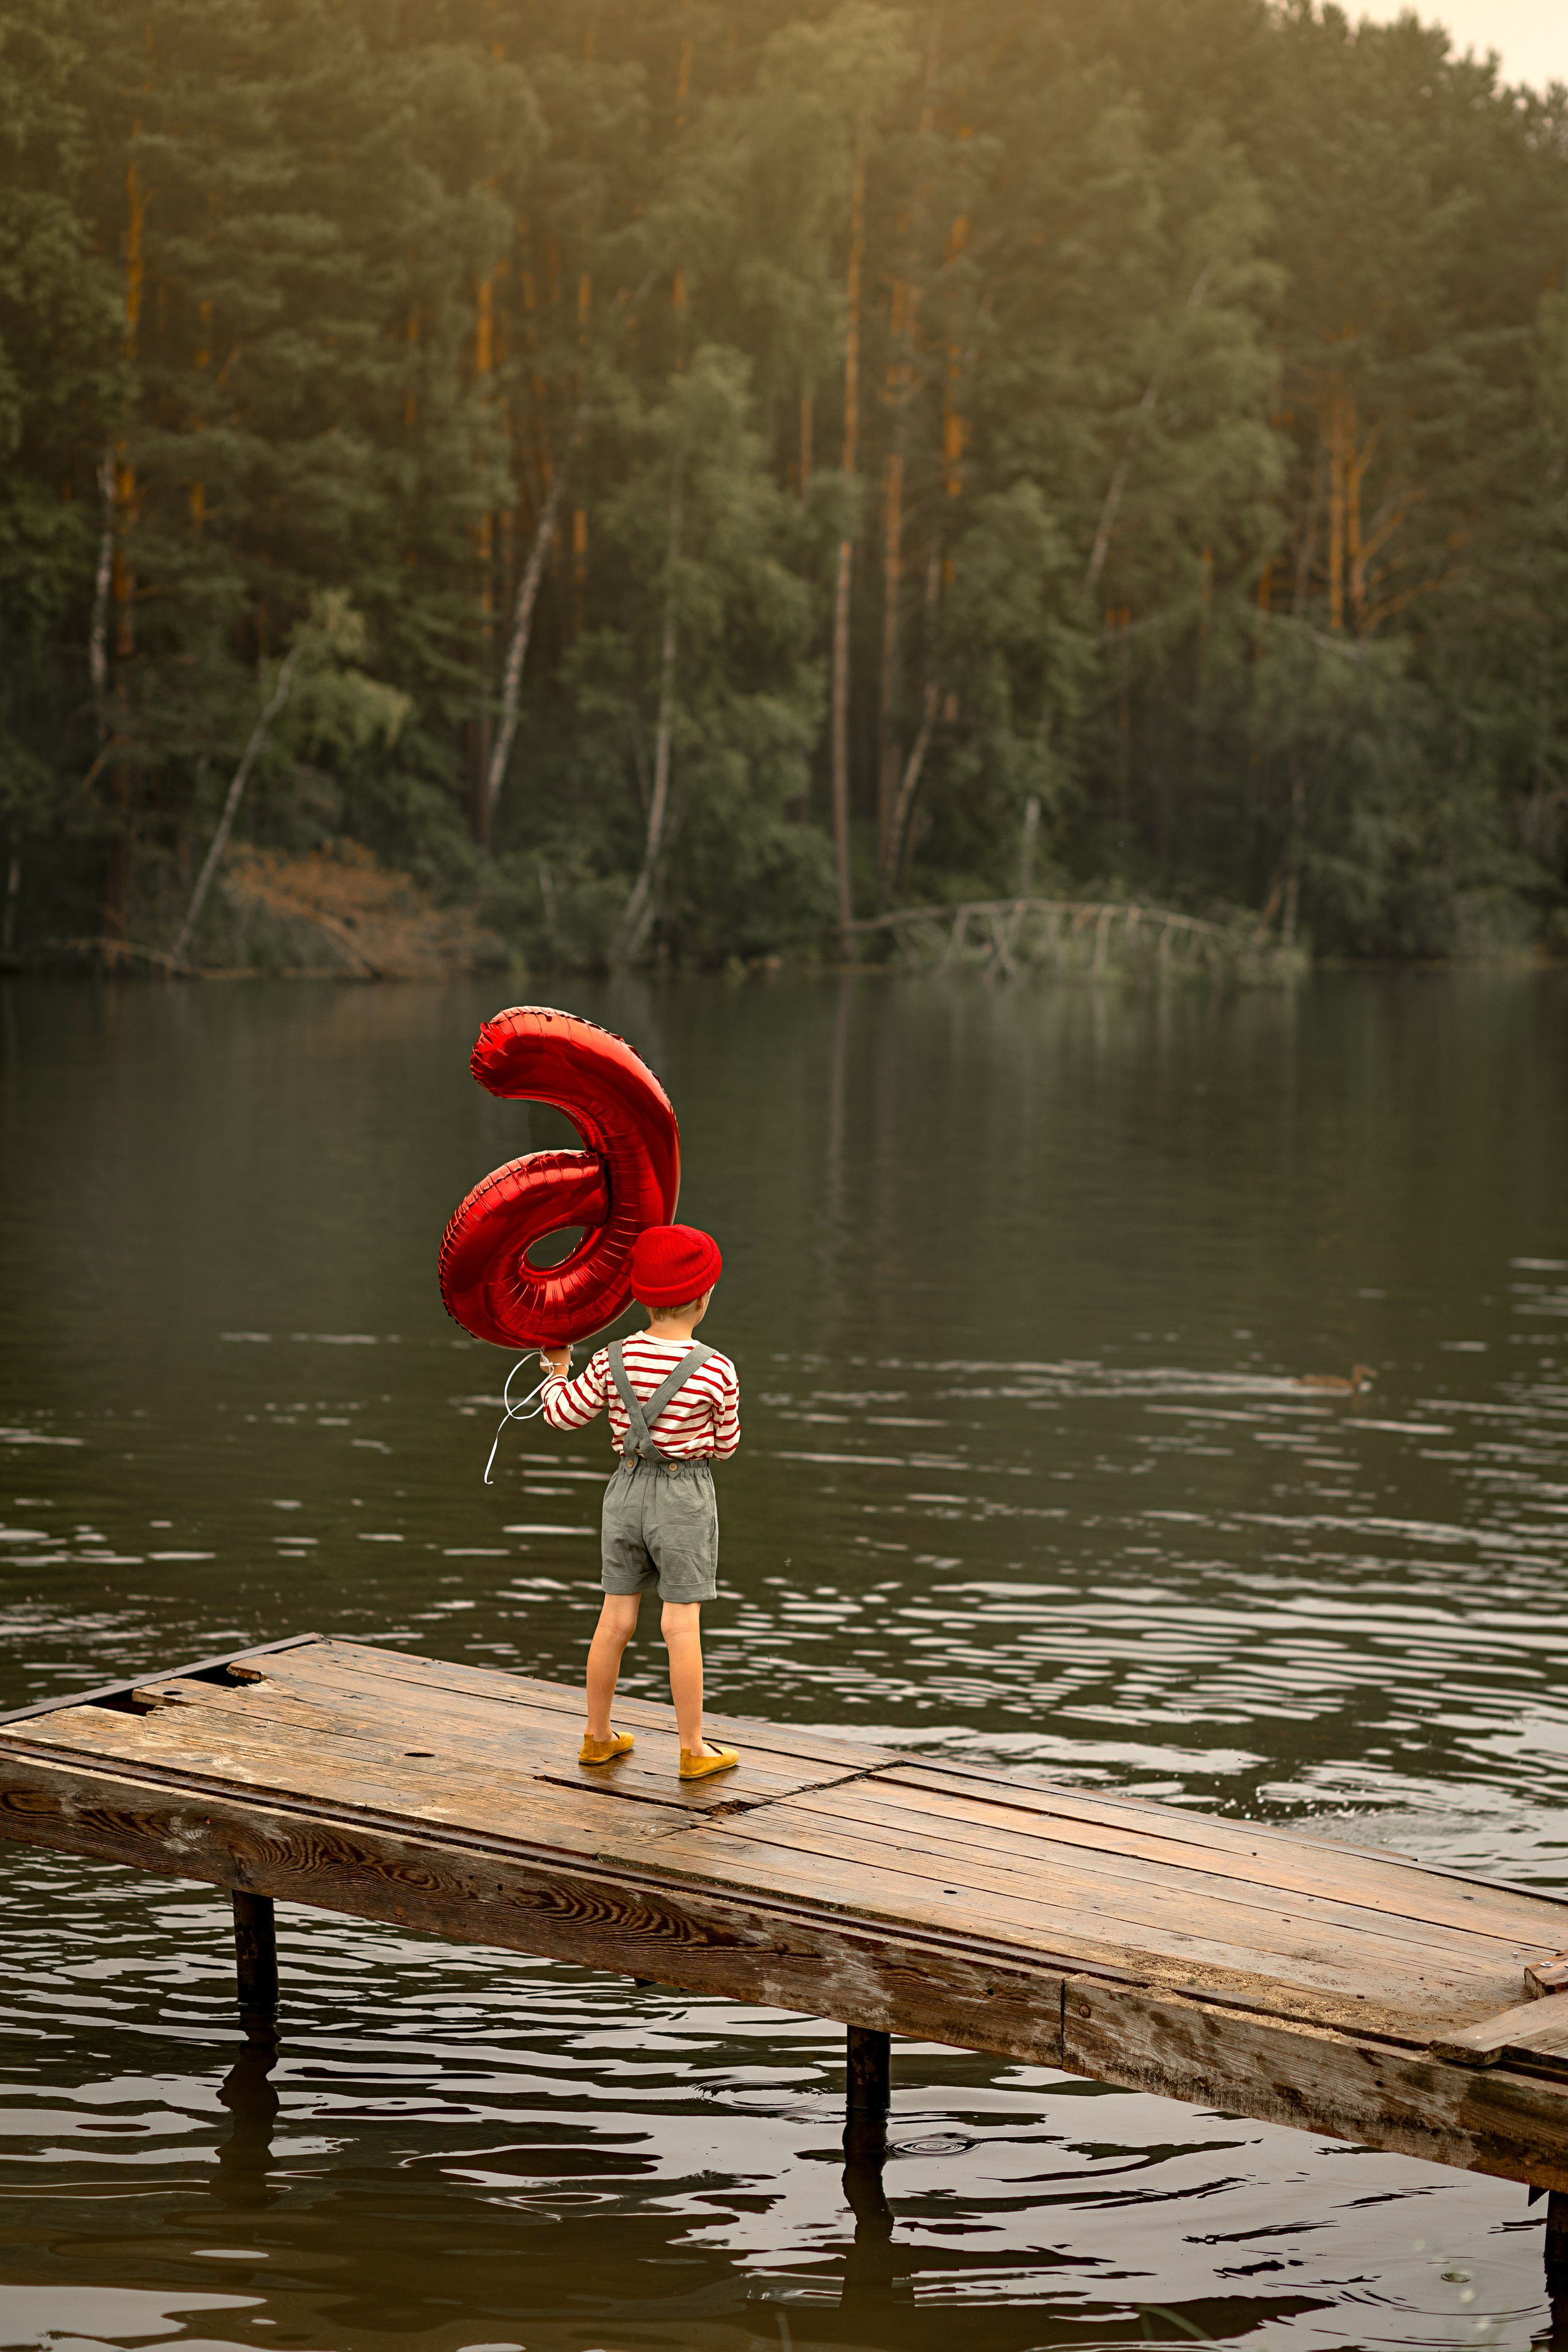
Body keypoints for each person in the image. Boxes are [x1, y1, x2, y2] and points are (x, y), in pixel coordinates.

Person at [537, 1223, 741, 1781]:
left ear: (639, 1296)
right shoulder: (717, 1369)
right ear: (703, 1298)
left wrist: (557, 1368)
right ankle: (694, 1750)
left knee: (615, 1619)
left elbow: (562, 1414)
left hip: (624, 1490)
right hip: (684, 1495)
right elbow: (726, 1447)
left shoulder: (610, 1358)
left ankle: (598, 1738)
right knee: (681, 1626)